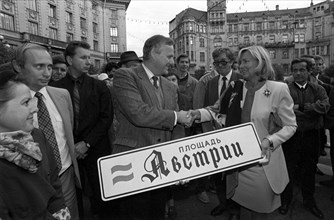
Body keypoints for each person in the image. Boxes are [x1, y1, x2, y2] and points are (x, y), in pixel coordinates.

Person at [190, 45, 297, 219]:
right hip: (238, 165)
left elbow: (290, 126)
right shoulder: (235, 86)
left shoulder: (278, 89)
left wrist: (270, 141)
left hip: (262, 165)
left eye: (245, 61)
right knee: (245, 212)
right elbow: (216, 110)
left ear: (260, 62)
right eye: (239, 62)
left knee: (260, 213)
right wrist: (196, 114)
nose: (240, 65)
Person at [112, 34, 191, 219]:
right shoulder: (125, 76)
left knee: (157, 212)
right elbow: (138, 113)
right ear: (154, 53)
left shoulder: (170, 86)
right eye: (169, 56)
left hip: (162, 165)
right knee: (134, 213)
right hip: (133, 163)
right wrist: (175, 116)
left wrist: (179, 159)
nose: (172, 62)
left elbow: (177, 126)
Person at [12, 43, 81, 220]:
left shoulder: (62, 95)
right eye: (39, 66)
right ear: (18, 66)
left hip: (65, 177)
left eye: (49, 66)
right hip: (30, 183)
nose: (47, 73)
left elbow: (68, 134)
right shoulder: (7, 105)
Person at [50, 41, 114, 219]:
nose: (89, 62)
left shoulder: (99, 86)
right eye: (83, 57)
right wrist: (73, 146)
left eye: (90, 58)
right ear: (69, 59)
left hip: (96, 148)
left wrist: (86, 143)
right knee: (73, 198)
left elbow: (106, 118)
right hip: (67, 151)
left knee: (102, 194)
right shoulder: (54, 89)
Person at [0, 69, 70, 219]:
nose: (35, 108)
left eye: (31, 100)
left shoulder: (37, 136)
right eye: (26, 102)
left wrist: (61, 214)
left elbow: (54, 185)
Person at [280, 58, 329, 219]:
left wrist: (300, 108)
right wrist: (310, 109)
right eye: (295, 70)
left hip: (311, 136)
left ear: (309, 72)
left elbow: (324, 107)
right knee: (288, 169)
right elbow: (284, 110)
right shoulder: (285, 90)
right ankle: (285, 201)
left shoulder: (318, 89)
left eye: (302, 70)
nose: (298, 73)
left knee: (309, 170)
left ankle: (310, 201)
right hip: (291, 136)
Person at [202, 47, 242, 216]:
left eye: (224, 62)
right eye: (216, 63)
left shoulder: (241, 80)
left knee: (234, 174)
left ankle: (234, 207)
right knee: (218, 173)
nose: (220, 66)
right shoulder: (210, 82)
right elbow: (208, 108)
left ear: (232, 62)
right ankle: (222, 202)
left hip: (236, 135)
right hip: (216, 136)